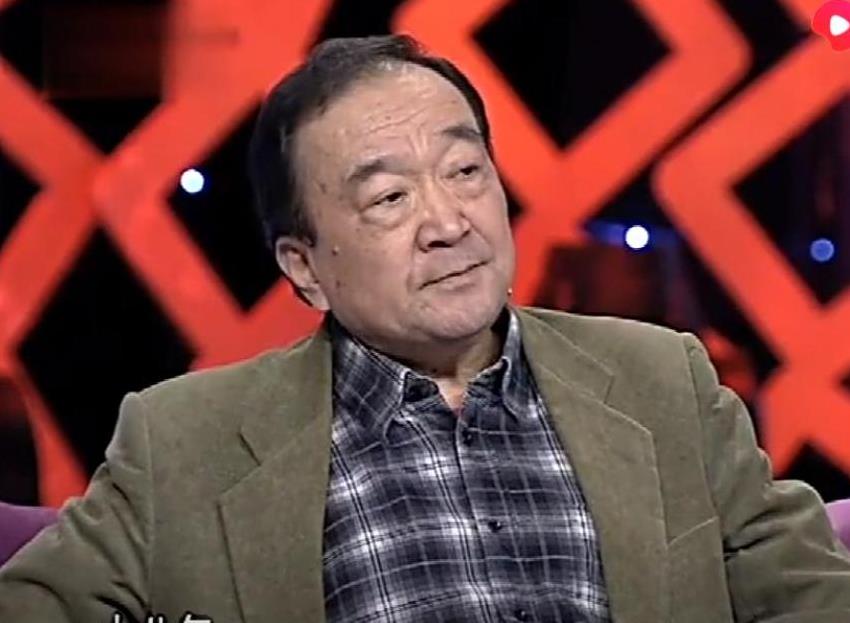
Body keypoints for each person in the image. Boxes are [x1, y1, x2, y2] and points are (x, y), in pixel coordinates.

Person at [1, 34, 849, 623]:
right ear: (304, 265)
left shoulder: (661, 377)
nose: (449, 222)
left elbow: (808, 589)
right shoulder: (186, 439)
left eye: (466, 170)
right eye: (389, 198)